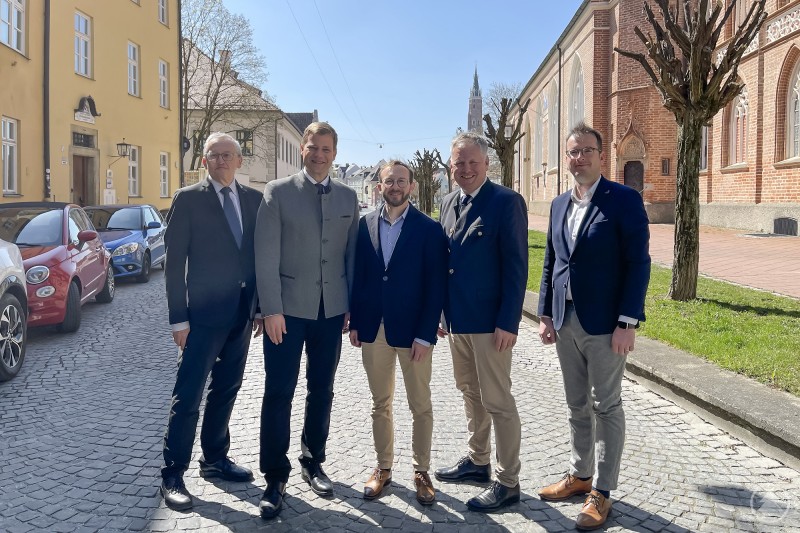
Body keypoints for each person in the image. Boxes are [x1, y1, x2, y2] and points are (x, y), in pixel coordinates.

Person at [537, 122, 650, 530]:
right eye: (573, 151)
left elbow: (638, 263)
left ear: (602, 156)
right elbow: (552, 261)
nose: (579, 157)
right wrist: (545, 314)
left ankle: (601, 490)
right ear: (566, 158)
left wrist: (627, 321)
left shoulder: (623, 200)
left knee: (607, 405)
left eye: (587, 150)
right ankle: (579, 474)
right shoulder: (558, 205)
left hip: (605, 324)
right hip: (565, 321)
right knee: (576, 404)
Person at [254, 121, 359, 519]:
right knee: (279, 391)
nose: (319, 155)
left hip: (330, 311)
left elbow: (352, 255)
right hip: (286, 312)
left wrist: (351, 305)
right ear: (303, 149)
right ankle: (274, 475)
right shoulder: (278, 192)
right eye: (313, 147)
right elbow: (265, 255)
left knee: (322, 390)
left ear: (335, 154)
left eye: (326, 149)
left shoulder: (348, 196)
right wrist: (271, 309)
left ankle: (313, 460)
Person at [161, 132, 264, 511]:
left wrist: (258, 307)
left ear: (239, 161)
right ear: (204, 161)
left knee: (227, 389)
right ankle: (173, 473)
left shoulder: (254, 200)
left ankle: (215, 458)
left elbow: (257, 257)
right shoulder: (188, 199)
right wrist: (178, 319)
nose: (221, 160)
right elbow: (174, 264)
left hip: (241, 314)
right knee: (188, 395)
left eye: (227, 154)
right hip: (201, 318)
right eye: (214, 155)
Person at [434, 132, 528, 512]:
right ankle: (478, 461)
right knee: (470, 392)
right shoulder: (447, 202)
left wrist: (509, 321)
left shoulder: (506, 202)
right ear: (451, 166)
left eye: (474, 162)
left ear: (487, 164)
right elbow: (445, 263)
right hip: (457, 321)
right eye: (460, 163)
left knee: (498, 400)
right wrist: (441, 313)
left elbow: (516, 266)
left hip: (491, 324)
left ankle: (508, 481)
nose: (467, 169)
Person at [348, 160, 448, 505]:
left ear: (412, 186)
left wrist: (425, 335)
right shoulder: (364, 225)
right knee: (380, 403)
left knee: (420, 404)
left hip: (413, 332)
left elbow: (436, 285)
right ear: (379, 186)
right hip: (373, 328)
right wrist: (357, 321)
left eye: (401, 181)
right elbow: (360, 276)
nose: (395, 186)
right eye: (389, 181)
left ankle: (422, 471)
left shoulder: (429, 229)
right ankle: (383, 467)